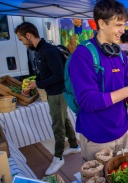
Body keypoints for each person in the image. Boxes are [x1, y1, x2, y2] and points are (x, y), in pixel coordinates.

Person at [68, 0, 128, 162]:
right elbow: (87, 101)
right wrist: (127, 91)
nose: (122, 31)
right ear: (102, 23)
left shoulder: (119, 54)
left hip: (123, 132)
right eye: (118, 25)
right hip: (98, 137)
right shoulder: (83, 54)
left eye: (124, 25)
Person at [14, 22, 80, 175]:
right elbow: (44, 73)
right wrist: (33, 84)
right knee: (63, 120)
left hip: (58, 93)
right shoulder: (39, 50)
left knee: (58, 125)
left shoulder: (48, 51)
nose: (22, 43)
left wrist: (37, 84)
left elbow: (59, 75)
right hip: (52, 93)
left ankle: (58, 157)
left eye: (21, 39)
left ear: (28, 36)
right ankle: (74, 145)